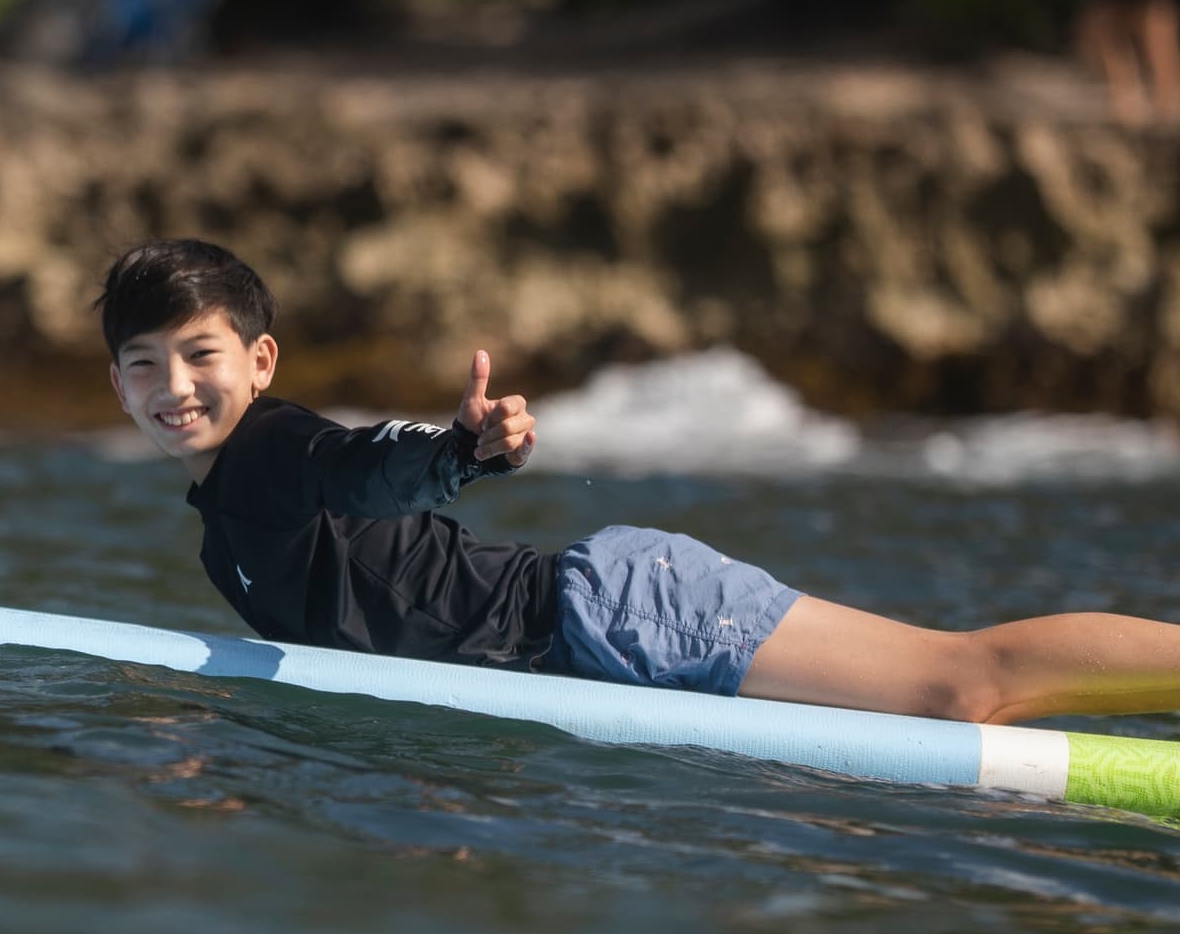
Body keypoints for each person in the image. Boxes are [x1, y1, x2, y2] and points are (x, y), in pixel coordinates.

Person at [95, 239, 1180, 725]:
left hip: (618, 617)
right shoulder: (220, 527)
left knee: (959, 686)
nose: (174, 387)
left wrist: (456, 452)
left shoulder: (273, 455)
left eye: (200, 355)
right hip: (598, 639)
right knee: (958, 709)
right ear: (116, 383)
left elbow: (365, 468)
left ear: (260, 362)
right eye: (144, 365)